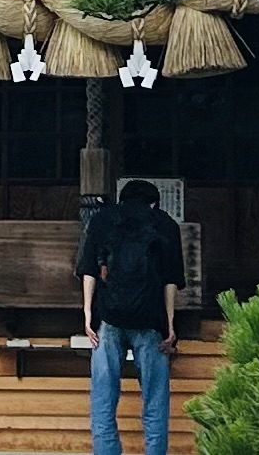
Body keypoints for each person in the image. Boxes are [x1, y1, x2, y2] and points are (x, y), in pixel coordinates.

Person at [76, 179, 185, 455]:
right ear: (153, 202)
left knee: (103, 398)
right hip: (150, 323)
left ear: (121, 199)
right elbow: (170, 280)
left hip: (109, 321)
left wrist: (88, 314)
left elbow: (89, 269)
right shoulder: (165, 224)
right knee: (155, 400)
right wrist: (170, 324)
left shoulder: (102, 220)